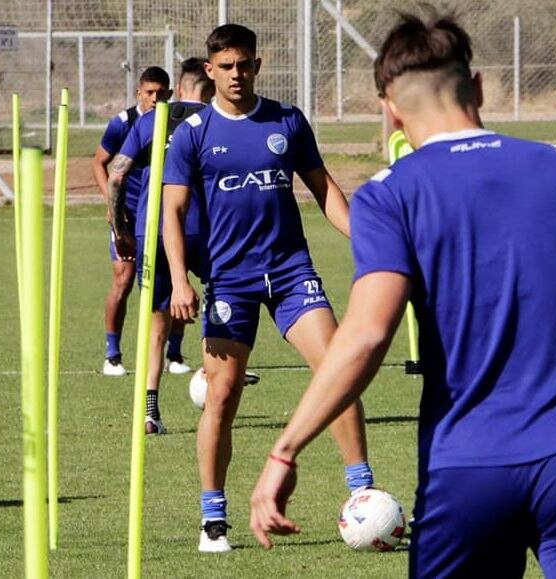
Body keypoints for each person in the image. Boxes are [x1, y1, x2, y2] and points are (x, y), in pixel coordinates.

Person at [249, 11, 556, 578]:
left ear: (390, 111)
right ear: (480, 87)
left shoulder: (389, 196)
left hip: (468, 469)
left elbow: (368, 335)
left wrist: (285, 450)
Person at [161, 24, 375, 553]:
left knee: (338, 372)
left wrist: (371, 240)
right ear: (210, 71)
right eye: (226, 66)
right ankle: (214, 518)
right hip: (229, 278)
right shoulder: (192, 134)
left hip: (290, 271)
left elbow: (326, 192)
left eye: (245, 64)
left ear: (258, 65)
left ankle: (363, 495)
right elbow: (173, 210)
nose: (236, 74)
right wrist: (179, 279)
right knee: (222, 395)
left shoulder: (287, 121)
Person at [107, 58, 217, 434]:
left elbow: (116, 174)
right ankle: (213, 380)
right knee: (219, 297)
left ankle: (150, 412)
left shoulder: (149, 121)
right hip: (201, 227)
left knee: (155, 323)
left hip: (151, 228)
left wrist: (120, 226)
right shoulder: (213, 120)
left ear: (178, 90)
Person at [94, 66, 192, 376]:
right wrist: (113, 208)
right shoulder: (124, 124)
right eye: (149, 92)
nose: (154, 98)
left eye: (161, 93)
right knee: (123, 280)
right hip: (129, 214)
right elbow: (101, 164)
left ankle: (174, 353)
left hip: (164, 216)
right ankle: (113, 353)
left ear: (170, 94)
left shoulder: (179, 121)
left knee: (177, 278)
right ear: (139, 93)